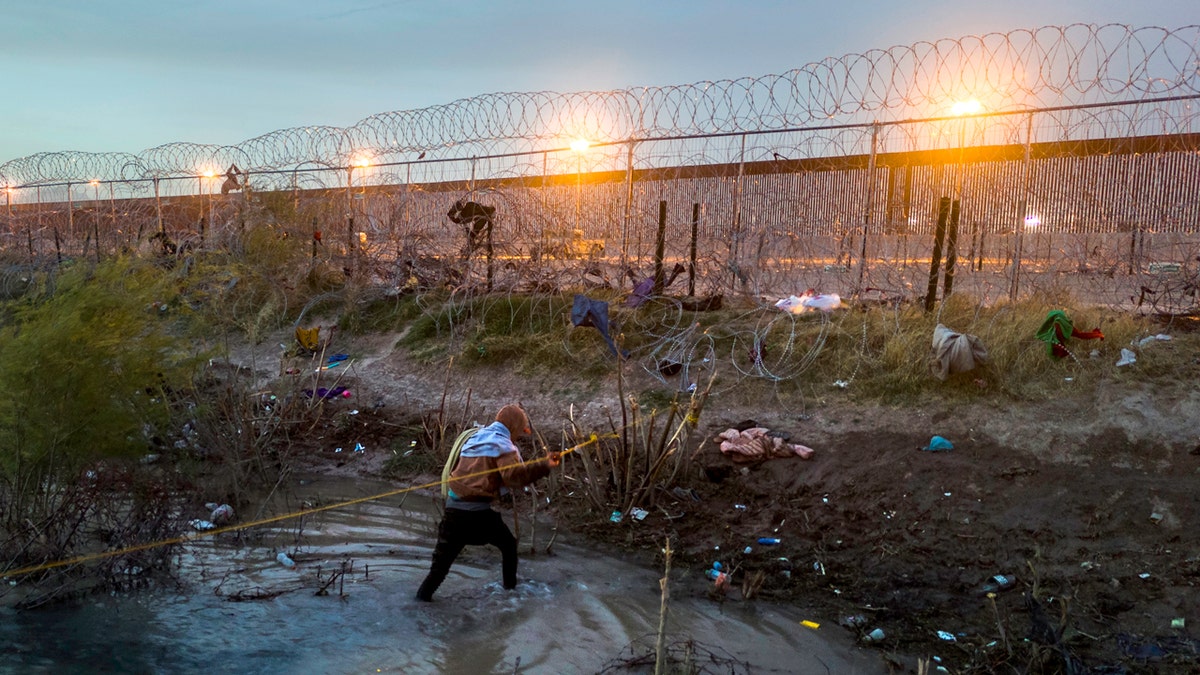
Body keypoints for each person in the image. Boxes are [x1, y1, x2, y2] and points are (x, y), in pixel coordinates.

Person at [415, 404, 560, 601]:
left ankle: (420, 601)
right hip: (476, 516)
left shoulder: (475, 438)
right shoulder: (503, 446)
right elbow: (514, 478)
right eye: (521, 428)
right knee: (508, 545)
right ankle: (511, 595)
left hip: (452, 512)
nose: (520, 434)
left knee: (438, 571)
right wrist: (545, 465)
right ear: (514, 426)